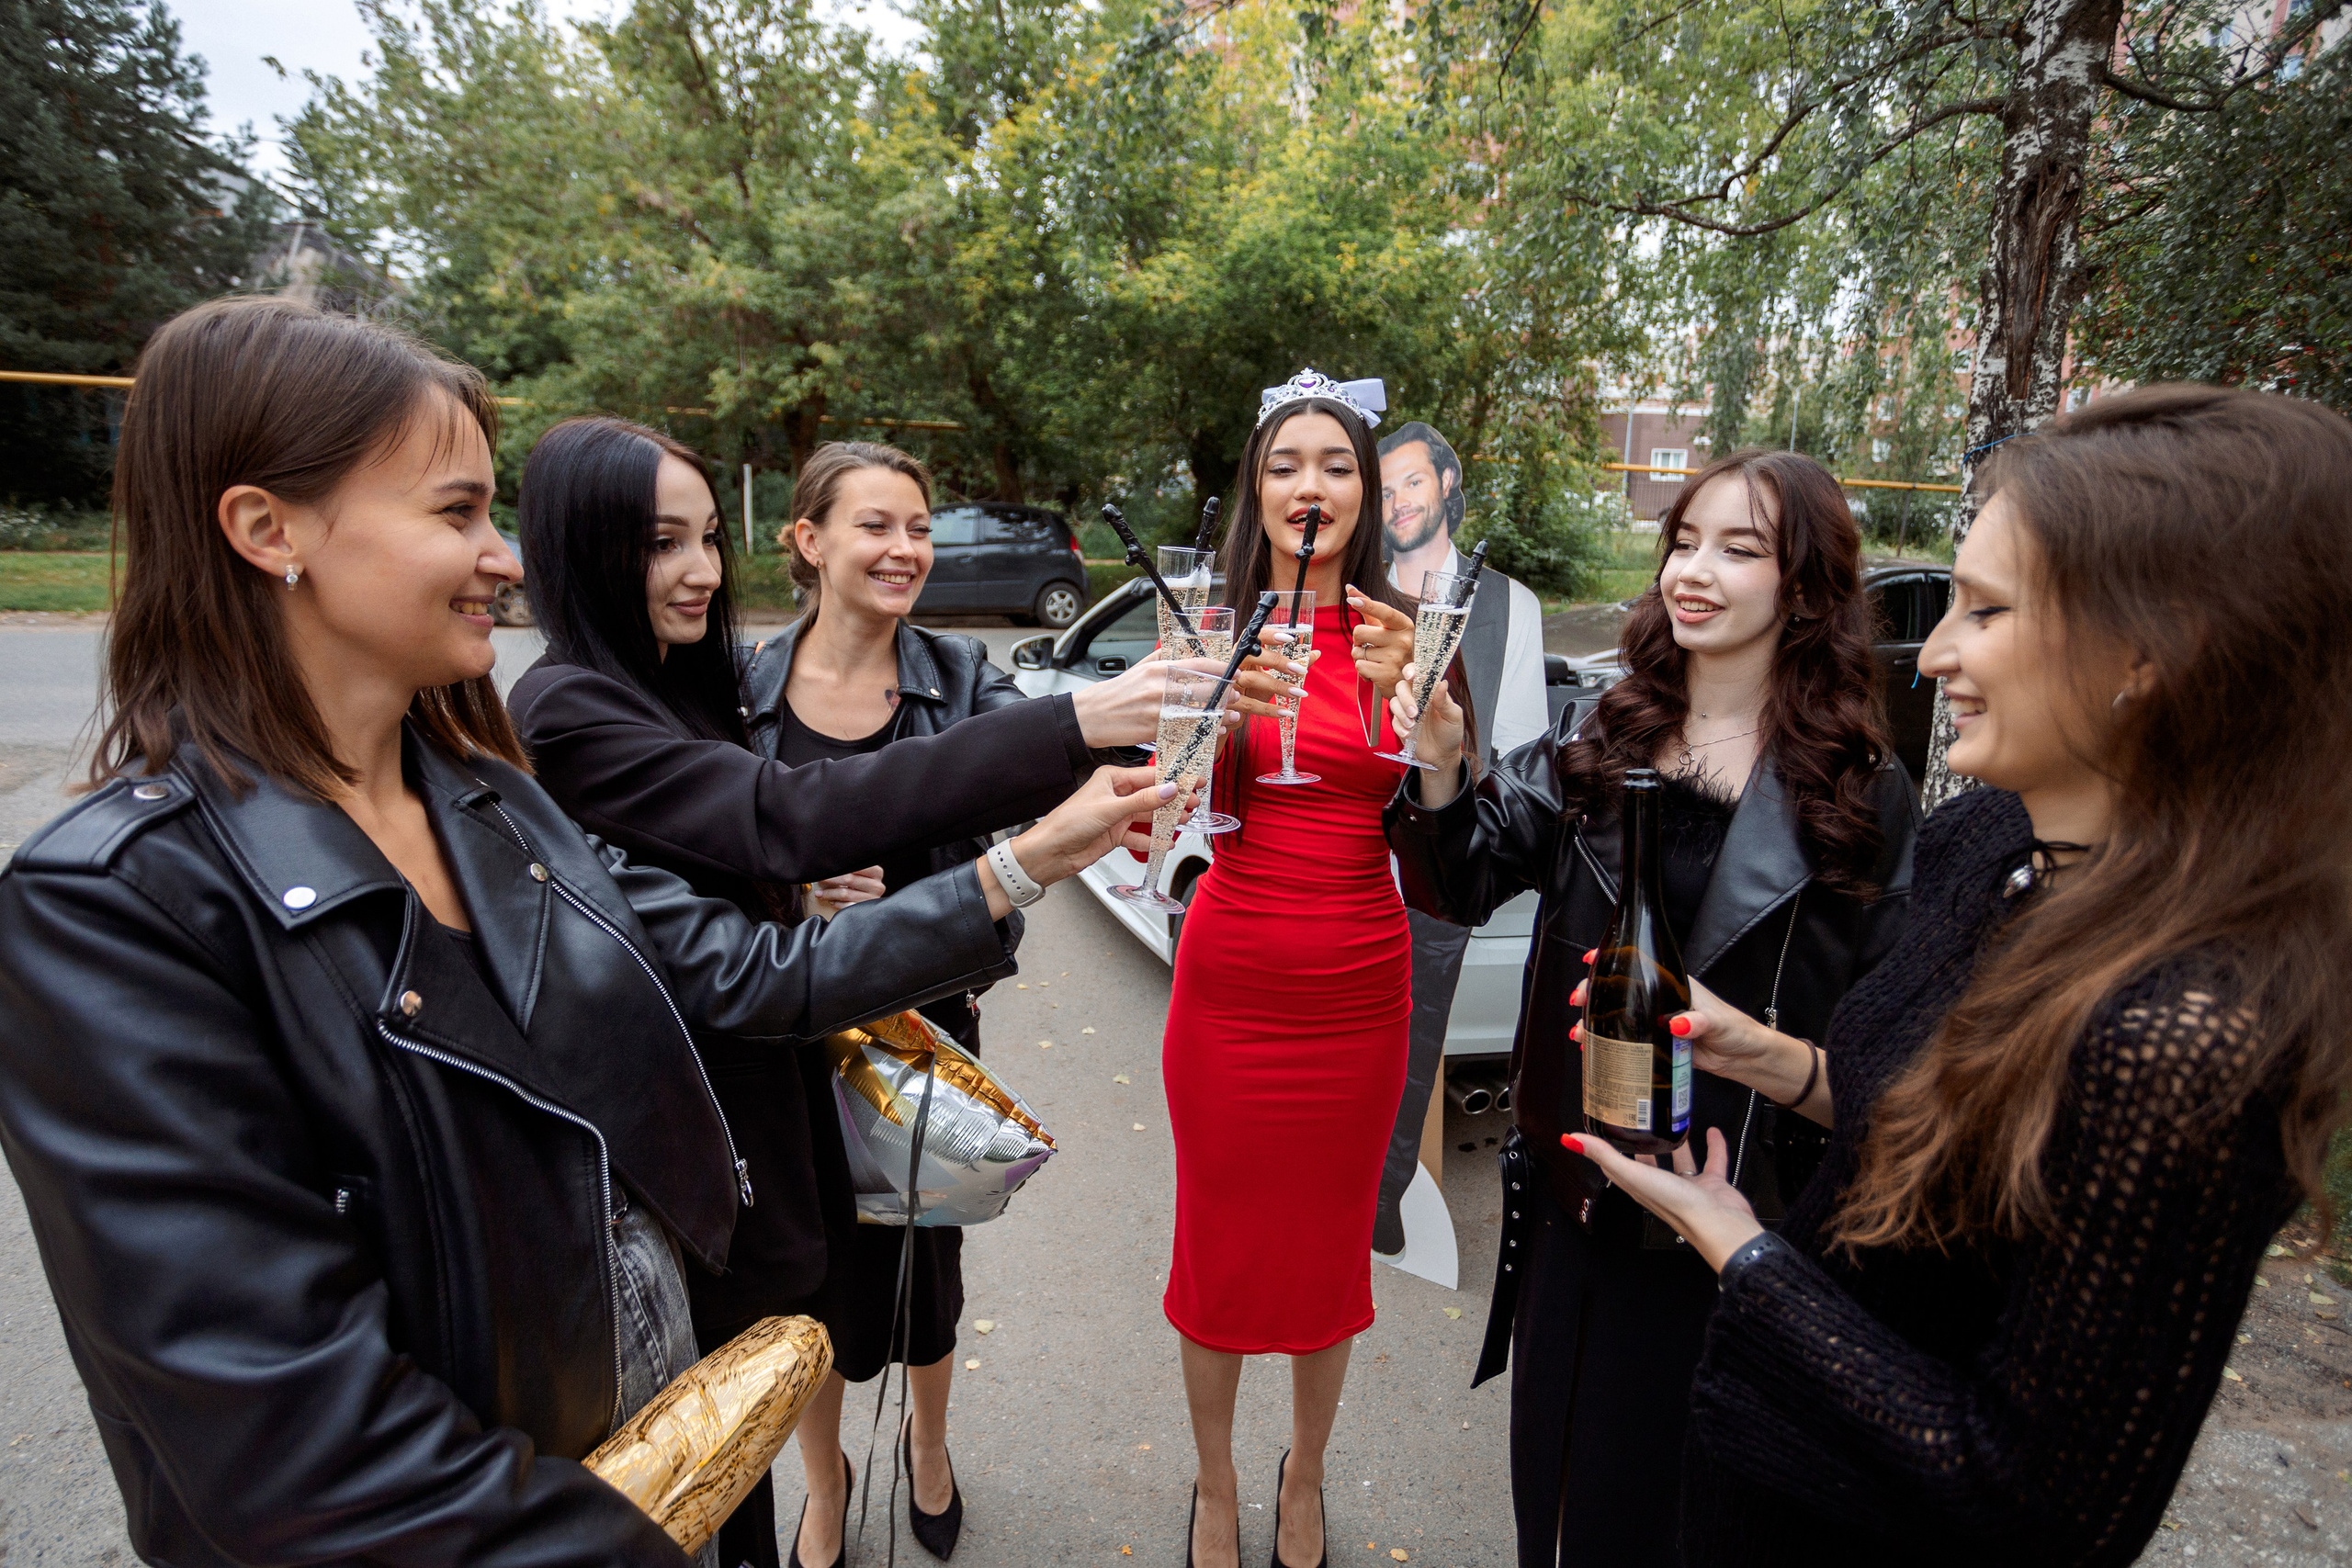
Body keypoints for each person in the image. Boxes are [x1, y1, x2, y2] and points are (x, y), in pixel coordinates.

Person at [0, 296, 1169, 1567]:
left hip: (673, 1436)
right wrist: (1034, 824)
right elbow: (295, 1460)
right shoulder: (117, 910)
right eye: (455, 513)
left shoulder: (486, 792)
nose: (504, 558)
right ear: (267, 529)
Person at [1566, 386, 2352, 1567]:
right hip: (1757, 1486)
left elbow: (2030, 1500)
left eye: (1984, 610)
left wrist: (1744, 1251)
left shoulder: (2187, 1033)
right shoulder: (1990, 844)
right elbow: (1928, 1116)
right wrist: (1761, 1053)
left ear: (2156, 649)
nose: (1931, 654)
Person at [507, 424, 1170, 1568]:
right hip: (745, 1097)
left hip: (904, 1037)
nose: (701, 570)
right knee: (790, 1335)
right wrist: (1041, 802)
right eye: (662, 543)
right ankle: (828, 1483)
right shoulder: (600, 703)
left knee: (911, 1289)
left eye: (709, 538)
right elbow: (778, 828)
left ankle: (922, 1449)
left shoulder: (700, 679)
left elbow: (763, 838)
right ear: (811, 542)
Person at [1383, 449, 1917, 1568]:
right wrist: (1437, 764)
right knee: (1556, 1498)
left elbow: (1881, 1046)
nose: (1695, 570)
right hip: (1573, 1189)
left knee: (1664, 1520)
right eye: (1684, 541)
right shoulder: (1597, 738)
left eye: (1740, 549)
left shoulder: (1860, 796)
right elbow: (1462, 879)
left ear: (1808, 588)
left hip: (1726, 1215)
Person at [1162, 368, 1417, 1568]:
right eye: (1284, 463)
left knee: (1328, 1247)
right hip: (1232, 984)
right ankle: (1216, 1482)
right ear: (1255, 492)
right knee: (1216, 1247)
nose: (1309, 483)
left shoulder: (1414, 634)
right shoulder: (1203, 628)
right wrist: (1205, 727)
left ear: (1365, 493)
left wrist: (1424, 723)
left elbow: (1459, 826)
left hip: (1363, 988)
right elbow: (1153, 822)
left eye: (1336, 463)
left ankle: (1302, 1475)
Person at [1373, 420, 1551, 1257]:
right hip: (1344, 856)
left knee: (1414, 1047)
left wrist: (1448, 780)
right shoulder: (1354, 586)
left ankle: (1381, 1208)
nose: (1399, 501)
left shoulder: (1510, 603)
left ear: (1446, 482)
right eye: (1386, 488)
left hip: (1443, 856)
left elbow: (1519, 752)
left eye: (1413, 481)